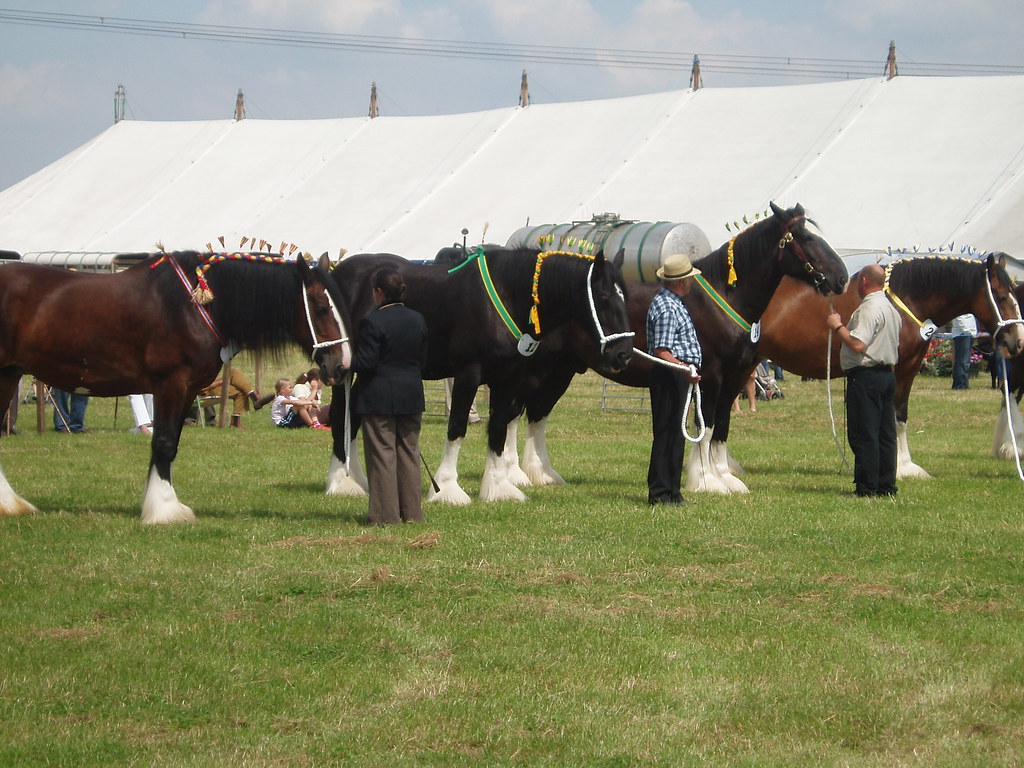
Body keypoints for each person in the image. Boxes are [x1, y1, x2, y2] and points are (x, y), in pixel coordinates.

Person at [351, 266, 429, 525]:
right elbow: (422, 360)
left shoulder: (372, 321)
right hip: (411, 393)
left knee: (383, 455)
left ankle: (385, 516)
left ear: (378, 292)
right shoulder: (418, 319)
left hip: (378, 397)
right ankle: (412, 513)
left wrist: (347, 365)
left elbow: (366, 363)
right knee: (409, 453)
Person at [826, 263, 902, 498]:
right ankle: (885, 485)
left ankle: (867, 487)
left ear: (864, 281)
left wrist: (837, 326)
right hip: (886, 375)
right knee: (885, 434)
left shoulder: (869, 308)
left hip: (866, 376)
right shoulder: (891, 308)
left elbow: (858, 344)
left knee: (865, 433)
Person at [646, 253, 703, 506]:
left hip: (677, 374)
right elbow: (662, 350)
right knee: (667, 433)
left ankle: (672, 491)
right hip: (669, 375)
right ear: (682, 282)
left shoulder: (672, 302)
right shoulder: (668, 307)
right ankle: (660, 492)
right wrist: (684, 368)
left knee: (676, 433)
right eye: (689, 278)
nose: (692, 282)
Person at [950, 313, 977, 390]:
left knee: (965, 361)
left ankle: (964, 383)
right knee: (962, 361)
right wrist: (966, 331)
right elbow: (959, 317)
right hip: (962, 334)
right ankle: (960, 384)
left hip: (968, 334)